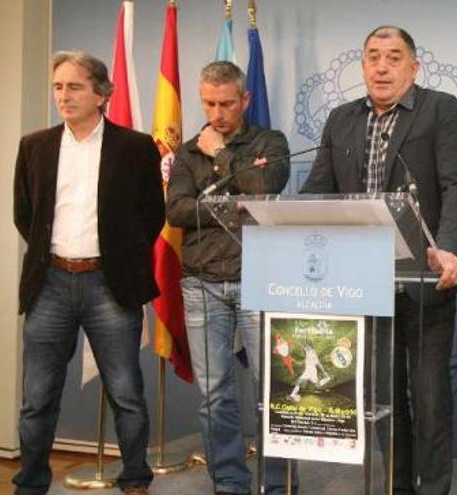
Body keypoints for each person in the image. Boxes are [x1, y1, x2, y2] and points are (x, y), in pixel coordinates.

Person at [300, 25, 457, 495]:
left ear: (414, 67)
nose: (381, 66)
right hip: (361, 286)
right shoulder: (340, 119)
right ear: (362, 66)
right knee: (382, 400)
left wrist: (453, 249)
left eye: (393, 57)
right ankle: (398, 488)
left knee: (429, 398)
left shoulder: (439, 110)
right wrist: (286, 221)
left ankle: (434, 489)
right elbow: (318, 191)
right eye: (373, 57)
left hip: (424, 280)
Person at [12, 51, 163, 495]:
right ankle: (31, 482)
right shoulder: (34, 145)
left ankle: (135, 477)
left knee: (126, 393)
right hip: (50, 284)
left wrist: (116, 257)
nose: (64, 95)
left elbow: (151, 214)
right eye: (58, 86)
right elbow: (26, 214)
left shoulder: (135, 147)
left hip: (109, 286)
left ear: (101, 94)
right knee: (37, 397)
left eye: (74, 86)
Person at [166, 61, 291, 495]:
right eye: (208, 103)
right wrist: (233, 204)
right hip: (201, 283)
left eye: (226, 103)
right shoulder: (186, 152)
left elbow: (265, 188)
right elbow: (177, 211)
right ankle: (230, 484)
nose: (216, 114)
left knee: (273, 390)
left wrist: (220, 158)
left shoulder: (269, 141)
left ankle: (277, 485)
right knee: (215, 394)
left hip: (260, 278)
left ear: (245, 99)